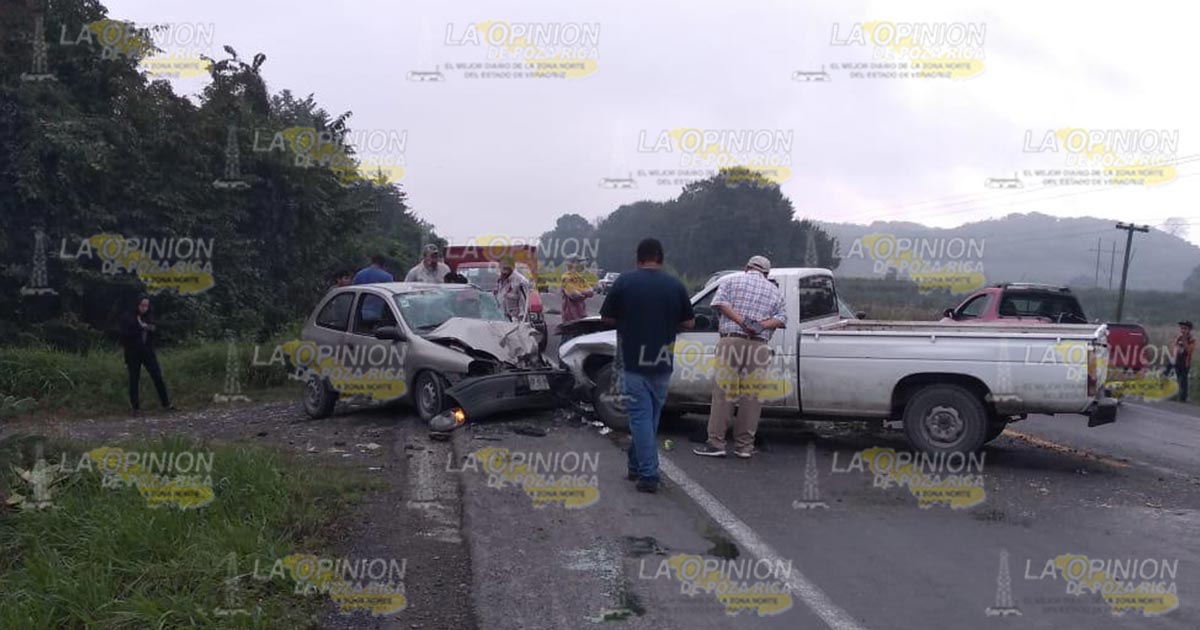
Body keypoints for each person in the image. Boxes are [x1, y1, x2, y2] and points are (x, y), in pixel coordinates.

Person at [600, 238, 694, 493]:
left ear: (638, 258)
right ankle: (635, 465)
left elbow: (606, 317)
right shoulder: (675, 285)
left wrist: (628, 317)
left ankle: (648, 475)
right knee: (650, 417)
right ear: (660, 259)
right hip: (663, 361)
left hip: (633, 361)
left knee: (641, 417)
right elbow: (689, 323)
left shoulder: (624, 282)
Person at [693, 255, 787, 459]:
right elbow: (781, 318)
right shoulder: (774, 290)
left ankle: (716, 443)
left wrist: (741, 321)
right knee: (752, 397)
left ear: (747, 267)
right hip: (759, 345)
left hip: (731, 340)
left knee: (724, 394)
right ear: (766, 273)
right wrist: (760, 325)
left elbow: (719, 303)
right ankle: (744, 446)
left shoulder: (731, 280)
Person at [118, 296, 174, 416]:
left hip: (148, 351)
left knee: (157, 376)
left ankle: (166, 404)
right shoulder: (127, 317)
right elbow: (124, 334)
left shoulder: (149, 316)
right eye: (142, 305)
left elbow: (154, 328)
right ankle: (135, 408)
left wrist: (149, 328)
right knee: (134, 379)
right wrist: (140, 327)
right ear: (137, 305)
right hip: (133, 352)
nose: (144, 308)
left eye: (146, 306)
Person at [560, 256, 594, 323]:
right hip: (570, 316)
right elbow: (573, 294)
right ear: (571, 264)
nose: (581, 264)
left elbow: (591, 292)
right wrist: (584, 292)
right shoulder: (566, 278)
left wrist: (580, 292)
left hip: (581, 314)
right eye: (578, 262)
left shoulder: (580, 278)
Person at [1174, 320, 1195, 402]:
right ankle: (1179, 397)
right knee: (1178, 380)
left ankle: (1183, 398)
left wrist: (1185, 340)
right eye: (1181, 328)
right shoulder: (1179, 337)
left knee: (1183, 380)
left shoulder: (1191, 339)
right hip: (1178, 361)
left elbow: (1189, 350)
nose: (1182, 330)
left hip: (1185, 362)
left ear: (1189, 329)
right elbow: (1175, 347)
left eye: (1185, 328)